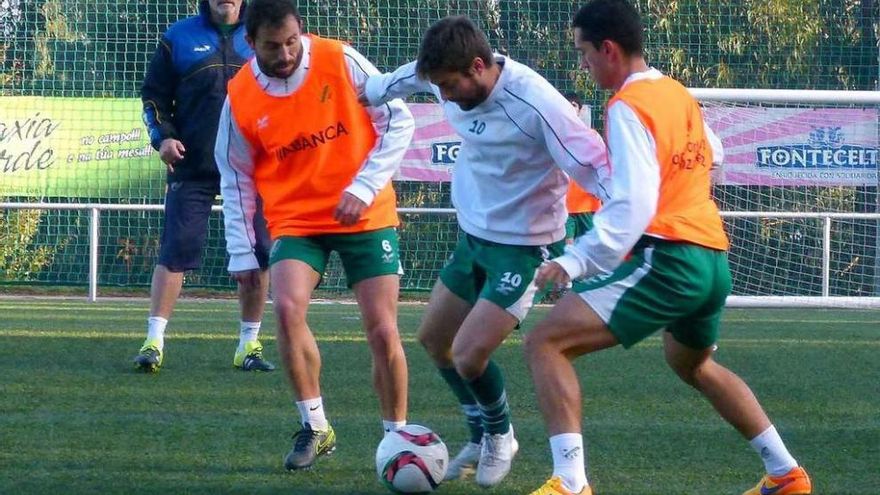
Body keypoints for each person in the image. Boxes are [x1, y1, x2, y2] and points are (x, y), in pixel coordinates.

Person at [525, 2, 812, 495]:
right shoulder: (674, 92)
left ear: (608, 49)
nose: (583, 64)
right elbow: (714, 155)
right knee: (692, 363)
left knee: (544, 342)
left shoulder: (627, 108)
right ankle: (785, 473)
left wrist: (576, 260)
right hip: (713, 258)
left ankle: (570, 483)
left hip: (671, 258)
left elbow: (633, 207)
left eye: (583, 53)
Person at [361, 16, 609, 488]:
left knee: (469, 354)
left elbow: (594, 163)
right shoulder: (444, 76)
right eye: (441, 87)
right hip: (474, 236)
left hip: (524, 247)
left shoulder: (535, 103)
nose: (445, 96)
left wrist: (634, 220)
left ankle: (500, 435)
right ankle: (479, 432)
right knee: (435, 341)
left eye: (451, 86)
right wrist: (370, 90)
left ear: (479, 66)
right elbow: (410, 77)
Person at [215, 0, 415, 471]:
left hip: (364, 214)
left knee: (383, 328)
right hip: (297, 220)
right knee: (285, 309)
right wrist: (242, 250)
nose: (285, 53)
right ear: (250, 43)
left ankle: (396, 438)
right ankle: (315, 426)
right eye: (272, 46)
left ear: (300, 32)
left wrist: (363, 188)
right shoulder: (241, 94)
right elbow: (235, 173)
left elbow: (399, 120)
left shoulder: (340, 59)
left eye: (291, 41)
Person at [136, 0, 274, 373]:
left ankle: (249, 345)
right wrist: (163, 137)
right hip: (192, 164)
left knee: (259, 251)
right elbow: (153, 97)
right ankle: (153, 342)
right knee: (175, 250)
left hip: (251, 169)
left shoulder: (265, 35)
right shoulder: (178, 37)